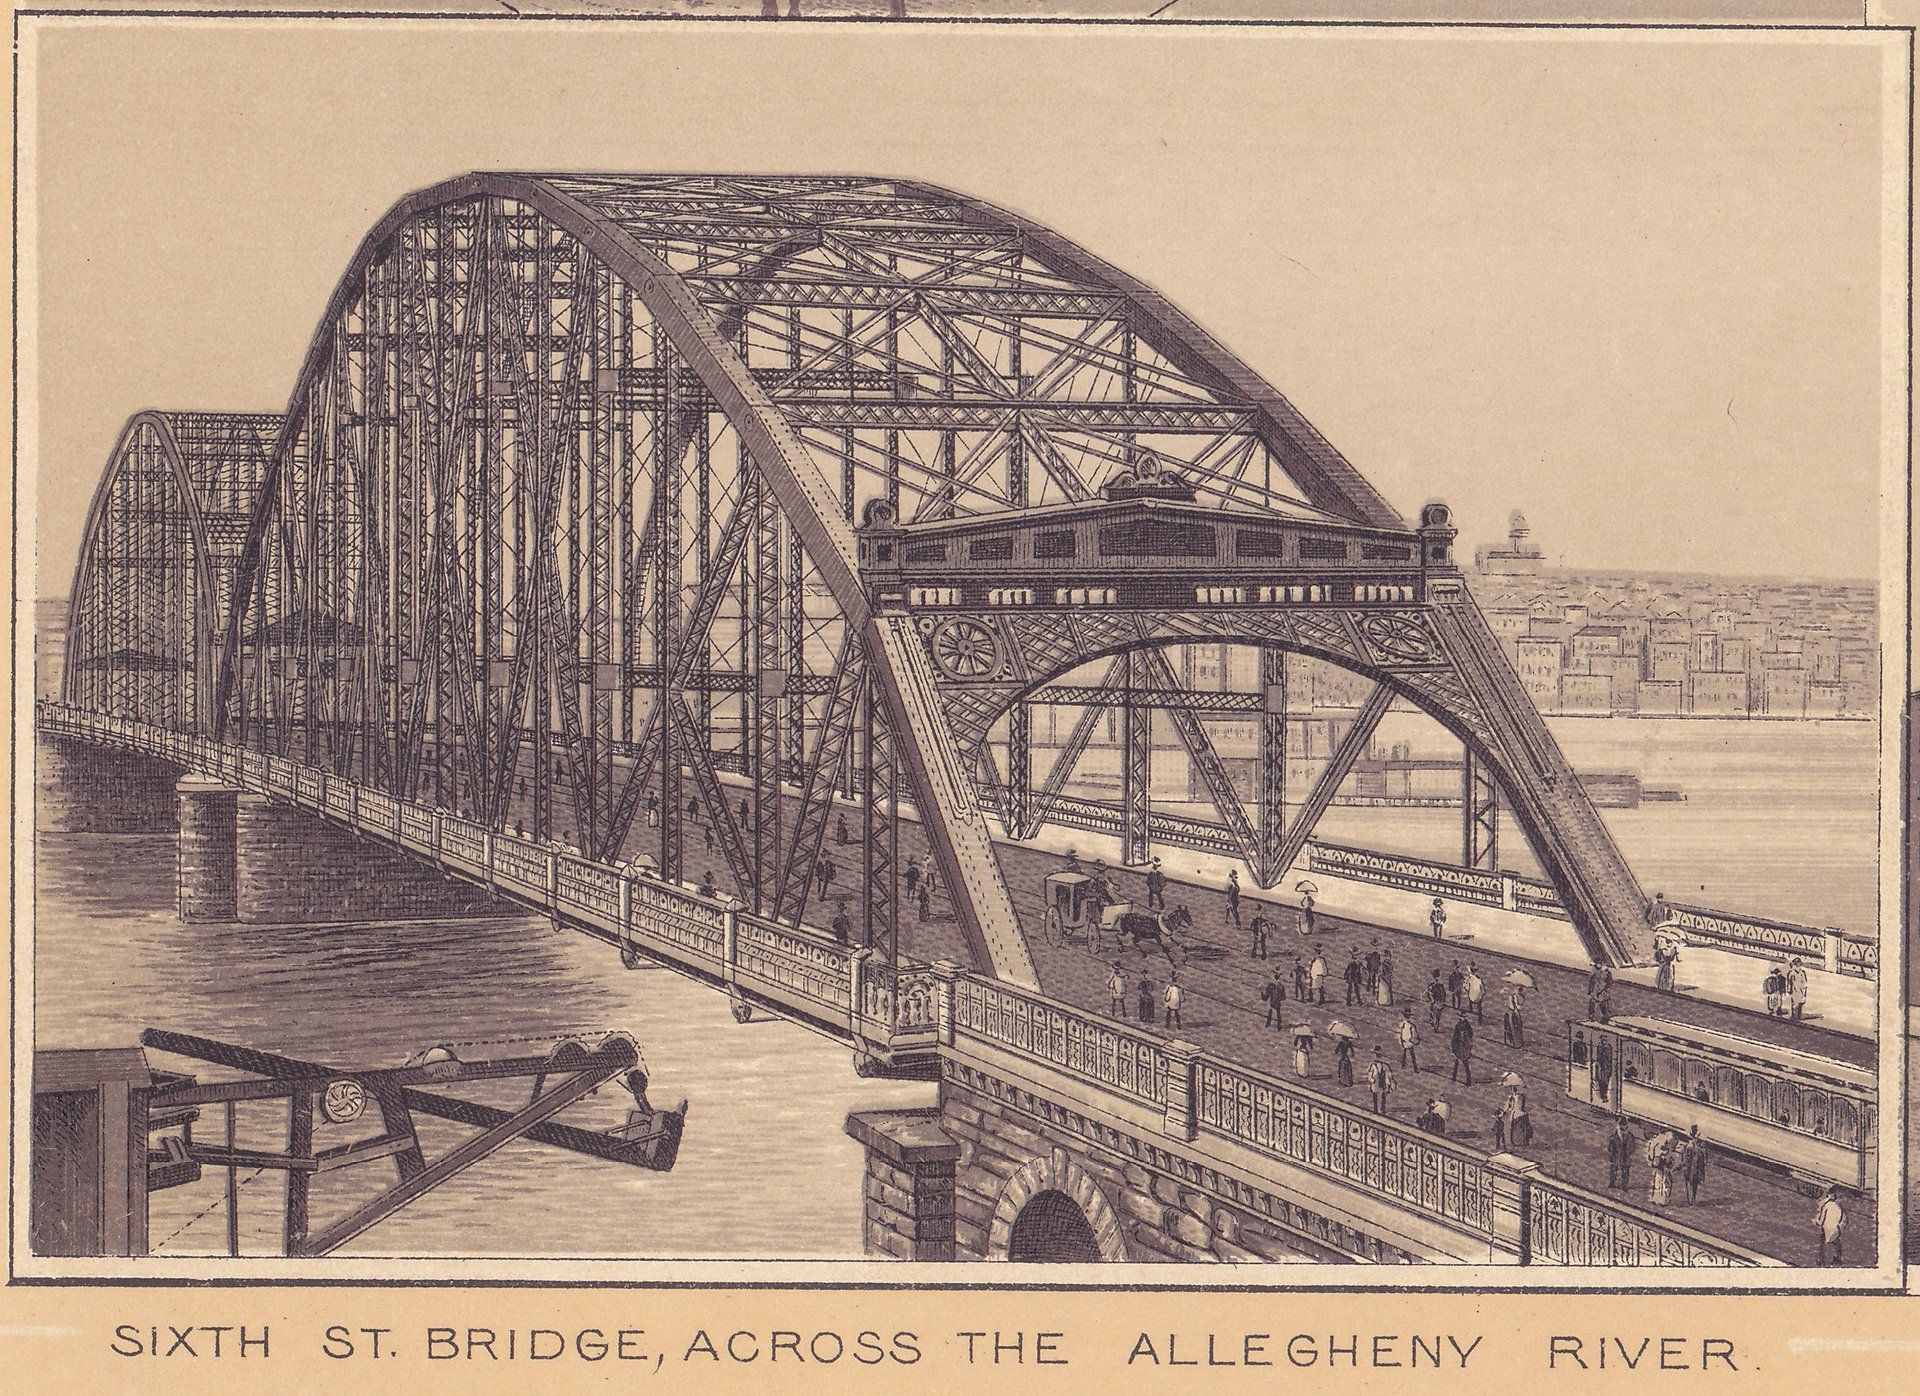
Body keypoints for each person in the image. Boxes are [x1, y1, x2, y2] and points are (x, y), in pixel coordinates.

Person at [1815, 1186, 1845, 1266]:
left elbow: (1821, 1221)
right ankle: (1838, 1258)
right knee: (1837, 1243)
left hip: (1826, 1229)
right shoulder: (1839, 1207)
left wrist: (1817, 1222)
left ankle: (1821, 1260)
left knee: (1823, 1243)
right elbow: (1842, 1220)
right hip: (1835, 1230)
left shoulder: (1826, 1205)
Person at [1606, 1116, 1636, 1191]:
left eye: (1625, 1128)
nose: (1623, 1130)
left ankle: (1624, 1185)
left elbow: (1632, 1148)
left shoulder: (1630, 1136)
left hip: (1625, 1157)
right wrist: (1613, 1150)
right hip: (1616, 1156)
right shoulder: (1613, 1137)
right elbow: (1610, 1148)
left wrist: (1628, 1152)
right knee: (1613, 1170)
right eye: (1621, 1128)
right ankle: (1612, 1183)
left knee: (1625, 1172)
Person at [1680, 1125, 1708, 1203]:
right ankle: (1690, 1199)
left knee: (1694, 1184)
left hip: (1697, 1169)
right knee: (1689, 1182)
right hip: (1690, 1168)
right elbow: (1685, 1158)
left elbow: (1704, 1159)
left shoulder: (1700, 1149)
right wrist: (1685, 1165)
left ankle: (1692, 1199)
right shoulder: (1689, 1147)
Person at [1646, 1132, 1674, 1206]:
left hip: (1663, 1169)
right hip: (1660, 1168)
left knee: (1663, 1183)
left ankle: (1663, 1200)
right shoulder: (1660, 1146)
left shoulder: (1668, 1149)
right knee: (1659, 1183)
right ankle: (1657, 1198)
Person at [1365, 1047, 1394, 1114]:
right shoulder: (1372, 1065)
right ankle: (1375, 1109)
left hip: (1383, 1083)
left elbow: (1388, 1074)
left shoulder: (1385, 1066)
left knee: (1383, 1097)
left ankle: (1382, 1109)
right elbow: (1369, 1074)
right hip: (1376, 1083)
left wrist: (1389, 1082)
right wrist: (1371, 1080)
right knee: (1375, 1097)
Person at [1449, 1013, 1474, 1086]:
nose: (1461, 1018)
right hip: (1458, 1046)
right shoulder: (1458, 1025)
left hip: (1464, 1047)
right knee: (1456, 1062)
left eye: (1462, 1017)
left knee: (1465, 1064)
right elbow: (1455, 1036)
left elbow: (1470, 1035)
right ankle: (1454, 1077)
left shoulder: (1467, 1026)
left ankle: (1468, 1081)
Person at [1787, 957, 1810, 1022]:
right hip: (1794, 990)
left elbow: (1805, 983)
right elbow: (1789, 982)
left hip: (1800, 990)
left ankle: (1797, 1016)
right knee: (1794, 1003)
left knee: (1800, 1003)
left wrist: (1804, 991)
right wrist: (1789, 990)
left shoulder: (1802, 973)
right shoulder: (1791, 973)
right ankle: (1794, 1016)